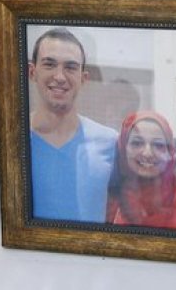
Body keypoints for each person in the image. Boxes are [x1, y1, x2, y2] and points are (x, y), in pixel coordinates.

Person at [28, 27, 117, 223]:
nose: (60, 76)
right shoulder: (14, 139)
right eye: (49, 64)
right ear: (32, 72)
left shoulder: (111, 142)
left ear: (83, 78)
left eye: (70, 67)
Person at [106, 111, 176, 229]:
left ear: (170, 152)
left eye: (158, 145)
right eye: (137, 143)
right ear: (123, 148)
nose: (147, 153)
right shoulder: (108, 206)